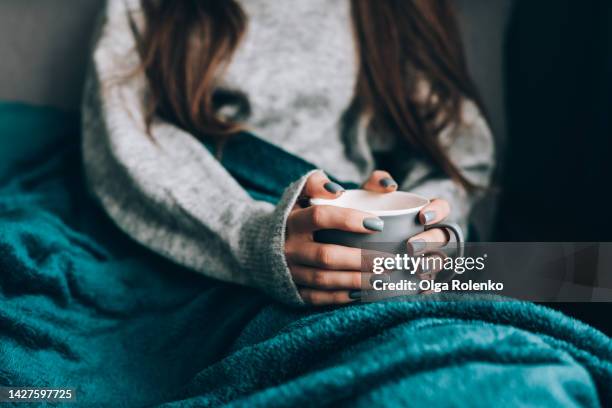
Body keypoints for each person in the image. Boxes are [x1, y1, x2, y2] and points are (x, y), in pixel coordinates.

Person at [82, 0, 494, 306]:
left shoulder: (394, 11)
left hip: (366, 243)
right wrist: (256, 239)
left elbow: (457, 148)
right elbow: (127, 136)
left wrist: (432, 229)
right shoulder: (145, 7)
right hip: (216, 236)